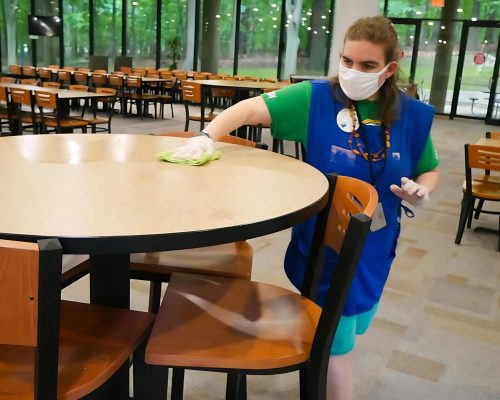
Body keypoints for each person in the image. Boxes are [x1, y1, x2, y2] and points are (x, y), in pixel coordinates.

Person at [171, 16, 439, 400]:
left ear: (389, 68)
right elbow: (248, 110)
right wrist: (206, 135)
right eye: (346, 61)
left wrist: (422, 190)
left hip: (377, 243)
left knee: (352, 323)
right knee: (336, 342)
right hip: (327, 245)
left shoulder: (411, 116)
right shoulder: (317, 99)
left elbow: (429, 168)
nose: (352, 72)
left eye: (366, 66)